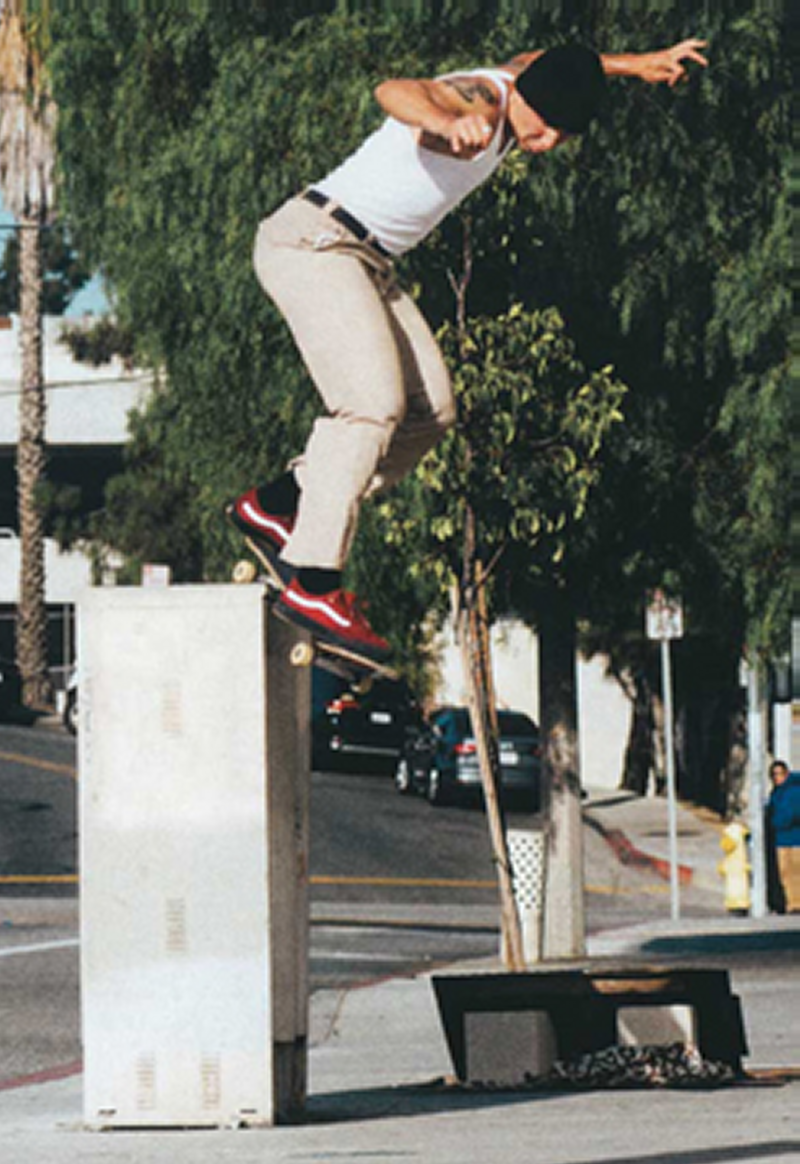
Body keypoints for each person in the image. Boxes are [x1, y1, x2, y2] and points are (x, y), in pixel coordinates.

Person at [228, 37, 708, 660]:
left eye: (561, 137)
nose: (544, 144)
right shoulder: (476, 101)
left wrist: (632, 67)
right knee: (371, 407)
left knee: (432, 411)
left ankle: (277, 504)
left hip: (366, 260)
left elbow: (545, 59)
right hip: (314, 244)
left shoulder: (524, 84)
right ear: (520, 103)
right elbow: (394, 91)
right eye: (543, 130)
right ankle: (314, 581)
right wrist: (448, 119)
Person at [767, 759, 800, 914]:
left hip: (795, 838)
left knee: (796, 871)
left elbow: (792, 814)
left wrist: (778, 822)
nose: (777, 778)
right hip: (781, 839)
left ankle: (797, 902)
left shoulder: (794, 790)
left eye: (779, 774)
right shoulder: (775, 793)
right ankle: (791, 903)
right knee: (785, 872)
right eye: (774, 775)